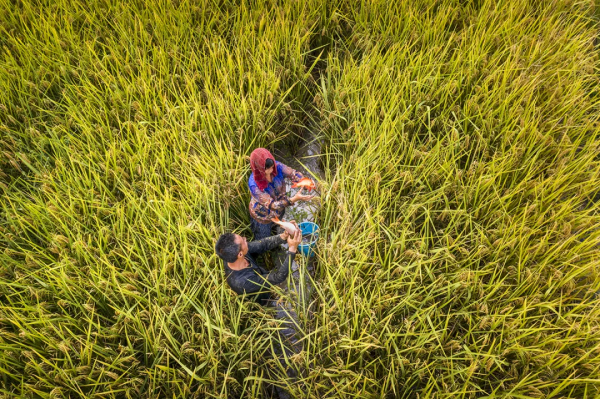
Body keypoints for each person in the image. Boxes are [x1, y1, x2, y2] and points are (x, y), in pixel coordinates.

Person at [215, 224, 302, 305]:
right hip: (260, 298)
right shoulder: (243, 282)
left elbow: (262, 244)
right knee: (267, 302)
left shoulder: (232, 255)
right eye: (243, 241)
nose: (245, 238)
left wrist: (283, 236)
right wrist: (292, 249)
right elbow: (279, 277)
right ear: (240, 254)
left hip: (258, 273)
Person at [248, 148, 313, 241]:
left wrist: (305, 182)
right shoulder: (254, 185)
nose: (271, 169)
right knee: (264, 239)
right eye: (267, 168)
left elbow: (292, 174)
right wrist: (294, 199)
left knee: (276, 230)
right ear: (259, 168)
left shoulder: (277, 166)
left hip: (279, 209)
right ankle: (266, 254)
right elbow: (272, 205)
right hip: (262, 216)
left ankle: (276, 237)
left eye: (272, 166)